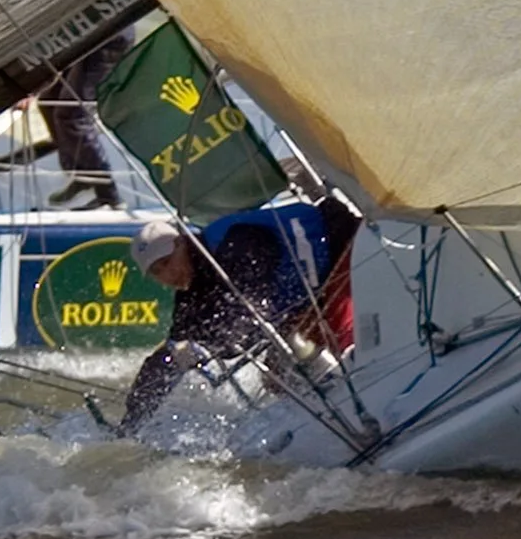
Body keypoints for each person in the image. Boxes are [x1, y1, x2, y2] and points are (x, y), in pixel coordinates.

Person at [119, 201, 364, 429]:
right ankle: (322, 423)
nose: (167, 275)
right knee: (277, 377)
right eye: (156, 272)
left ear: (183, 243)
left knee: (341, 342)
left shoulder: (235, 242)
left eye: (166, 262)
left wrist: (207, 347)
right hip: (315, 293)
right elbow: (168, 357)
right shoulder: (191, 294)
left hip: (347, 252)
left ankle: (359, 404)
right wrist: (130, 424)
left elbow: (253, 310)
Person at [44, 31, 130, 209]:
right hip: (83, 35)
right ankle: (82, 175)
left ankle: (109, 196)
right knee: (48, 100)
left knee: (73, 116)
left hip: (106, 37)